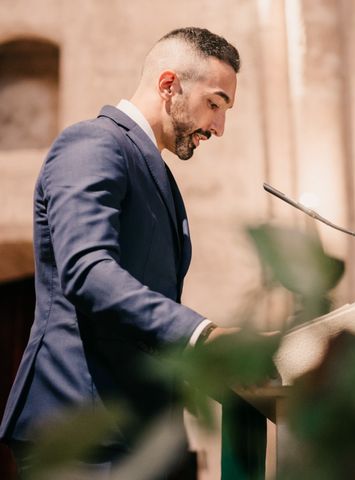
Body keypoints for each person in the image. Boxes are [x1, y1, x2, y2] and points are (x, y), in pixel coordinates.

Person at [0, 27, 240, 474]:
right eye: (215, 103)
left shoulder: (156, 171)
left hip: (137, 432)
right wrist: (202, 336)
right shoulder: (93, 143)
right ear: (169, 86)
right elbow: (88, 272)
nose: (219, 128)